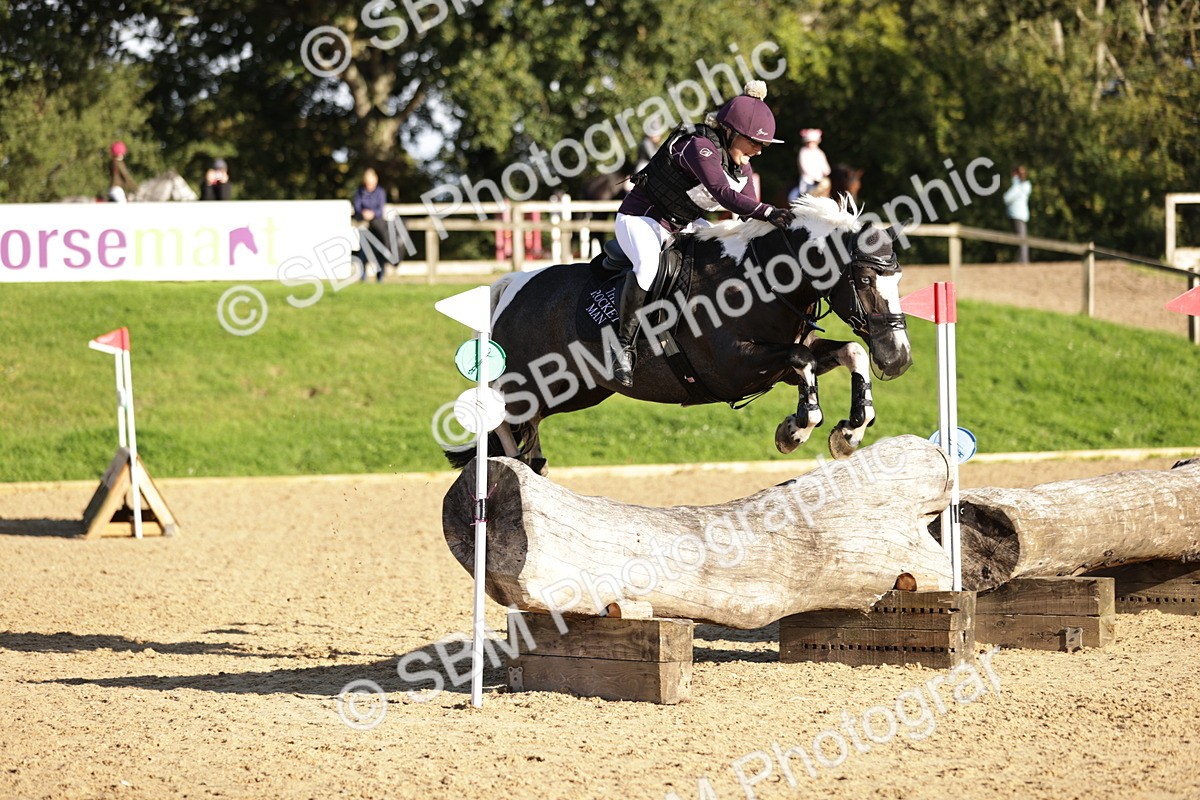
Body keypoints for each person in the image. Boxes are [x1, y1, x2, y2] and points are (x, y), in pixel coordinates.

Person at [613, 80, 792, 388]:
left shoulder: (742, 166)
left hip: (684, 224)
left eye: (762, 145)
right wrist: (770, 212)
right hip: (642, 218)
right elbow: (722, 194)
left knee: (725, 252)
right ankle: (623, 347)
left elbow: (745, 211)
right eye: (754, 142)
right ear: (731, 132)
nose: (759, 151)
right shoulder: (699, 146)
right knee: (647, 268)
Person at [352, 167, 390, 282]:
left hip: (378, 225)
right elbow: (357, 207)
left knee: (379, 251)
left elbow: (381, 209)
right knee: (363, 251)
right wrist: (363, 213)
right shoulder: (359, 192)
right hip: (363, 225)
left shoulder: (380, 192)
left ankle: (380, 277)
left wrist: (373, 214)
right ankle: (363, 277)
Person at [1004, 165, 1032, 264]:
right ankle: (1022, 259)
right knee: (1019, 238)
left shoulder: (1022, 186)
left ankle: (1023, 260)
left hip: (1018, 215)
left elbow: (1007, 198)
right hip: (1016, 215)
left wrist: (1015, 181)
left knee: (1022, 239)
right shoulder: (1020, 186)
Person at [796, 128, 831, 197]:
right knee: (804, 194)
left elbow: (824, 165)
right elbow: (803, 166)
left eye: (813, 142)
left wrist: (826, 172)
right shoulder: (803, 152)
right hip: (807, 179)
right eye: (809, 142)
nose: (811, 144)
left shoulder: (819, 152)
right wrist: (813, 177)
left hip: (820, 180)